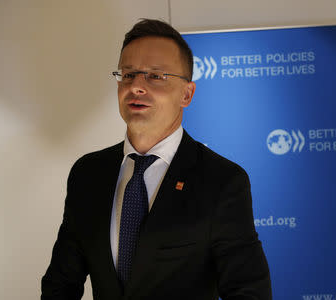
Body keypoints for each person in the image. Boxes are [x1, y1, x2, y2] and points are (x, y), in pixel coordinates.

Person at [41, 19, 272, 300]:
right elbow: (60, 284)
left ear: (186, 94)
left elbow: (248, 292)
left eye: (155, 76)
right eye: (128, 75)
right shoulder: (88, 174)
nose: (137, 86)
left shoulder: (222, 180)